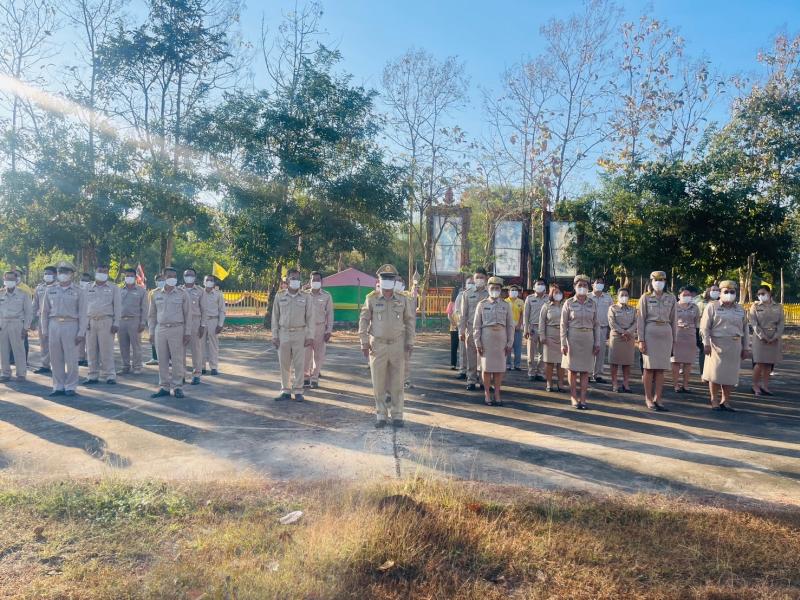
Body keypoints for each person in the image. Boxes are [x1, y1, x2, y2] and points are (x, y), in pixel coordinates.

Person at [358, 264, 415, 428]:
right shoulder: (371, 298)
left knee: (397, 383)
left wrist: (410, 341)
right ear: (379, 280)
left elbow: (409, 321)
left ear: (395, 280)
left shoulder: (402, 299)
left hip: (397, 345)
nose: (387, 281)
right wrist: (363, 341)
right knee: (379, 382)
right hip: (378, 346)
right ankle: (381, 415)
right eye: (384, 278)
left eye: (390, 278)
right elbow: (363, 320)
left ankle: (397, 415)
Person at [700, 280, 749, 411]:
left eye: (732, 292)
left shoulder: (740, 309)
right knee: (715, 374)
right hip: (717, 345)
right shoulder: (712, 306)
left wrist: (746, 347)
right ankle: (714, 400)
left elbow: (746, 329)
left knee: (730, 375)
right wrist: (706, 343)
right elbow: (704, 327)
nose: (729, 294)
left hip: (735, 345)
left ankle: (725, 400)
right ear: (720, 293)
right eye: (726, 291)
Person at [41, 261, 88, 397]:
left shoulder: (79, 291)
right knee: (55, 358)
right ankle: (58, 386)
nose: (63, 274)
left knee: (71, 358)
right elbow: (45, 312)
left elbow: (83, 313)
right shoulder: (50, 289)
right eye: (60, 272)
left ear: (72, 274)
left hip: (71, 324)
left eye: (66, 272)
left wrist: (81, 332)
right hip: (54, 324)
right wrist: (45, 330)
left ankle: (71, 386)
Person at [560, 275, 602, 409]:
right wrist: (563, 343)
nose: (582, 288)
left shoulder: (592, 303)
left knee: (585, 371)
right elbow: (563, 325)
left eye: (585, 285)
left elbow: (596, 325)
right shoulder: (568, 303)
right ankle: (573, 397)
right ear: (574, 287)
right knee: (572, 370)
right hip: (573, 337)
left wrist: (597, 343)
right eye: (580, 285)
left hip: (588, 338)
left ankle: (583, 399)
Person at [271, 268, 313, 402]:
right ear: (287, 280)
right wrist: (274, 335)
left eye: (298, 278)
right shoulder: (279, 296)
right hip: (283, 333)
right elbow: (275, 317)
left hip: (300, 333)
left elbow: (310, 318)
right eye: (293, 278)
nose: (296, 281)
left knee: (299, 364)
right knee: (284, 364)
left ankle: (298, 390)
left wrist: (310, 336)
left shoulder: (306, 297)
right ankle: (286, 391)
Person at [636, 271, 676, 411]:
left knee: (660, 369)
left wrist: (674, 340)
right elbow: (640, 320)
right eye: (656, 280)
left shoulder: (671, 297)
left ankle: (658, 398)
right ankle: (648, 398)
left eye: (661, 280)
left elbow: (674, 319)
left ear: (665, 281)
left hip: (666, 332)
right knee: (648, 368)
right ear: (651, 282)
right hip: (650, 333)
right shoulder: (645, 297)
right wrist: (641, 340)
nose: (659, 282)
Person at [148, 268, 190, 398]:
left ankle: (177, 387)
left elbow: (188, 314)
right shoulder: (155, 294)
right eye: (169, 276)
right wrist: (151, 332)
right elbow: (152, 315)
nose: (172, 278)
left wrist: (187, 332)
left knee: (177, 360)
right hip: (160, 329)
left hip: (177, 329)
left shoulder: (182, 293)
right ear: (163, 277)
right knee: (162, 360)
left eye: (174, 276)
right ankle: (164, 387)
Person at [473, 276, 514, 406]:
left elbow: (510, 326)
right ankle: (486, 393)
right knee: (486, 368)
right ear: (488, 288)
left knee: (499, 369)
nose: (495, 290)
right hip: (486, 339)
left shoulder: (506, 305)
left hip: (501, 339)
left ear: (501, 290)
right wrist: (477, 343)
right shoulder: (482, 304)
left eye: (497, 288)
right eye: (492, 288)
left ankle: (497, 394)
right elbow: (476, 326)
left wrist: (510, 343)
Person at [83, 263, 121, 385]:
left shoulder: (113, 288)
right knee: (91, 350)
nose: (102, 273)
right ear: (95, 272)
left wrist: (116, 323)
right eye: (100, 271)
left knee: (106, 350)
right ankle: (92, 375)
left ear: (108, 273)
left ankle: (109, 375)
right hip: (90, 321)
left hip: (106, 321)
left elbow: (118, 306)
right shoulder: (87, 287)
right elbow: (83, 306)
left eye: (105, 271)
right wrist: (84, 322)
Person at [749, 284, 784, 396]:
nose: (761, 295)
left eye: (763, 293)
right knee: (759, 363)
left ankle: (765, 386)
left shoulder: (778, 306)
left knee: (769, 363)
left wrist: (775, 336)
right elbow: (754, 323)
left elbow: (781, 323)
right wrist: (763, 336)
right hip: (760, 338)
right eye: (759, 294)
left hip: (774, 338)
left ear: (769, 293)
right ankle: (755, 385)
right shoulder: (755, 306)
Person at [458, 267, 489, 391]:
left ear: (486, 279)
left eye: (482, 277)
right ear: (473, 279)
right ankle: (471, 380)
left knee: (485, 355)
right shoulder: (467, 293)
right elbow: (463, 314)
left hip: (485, 329)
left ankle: (484, 381)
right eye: (477, 277)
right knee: (471, 355)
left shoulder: (490, 293)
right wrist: (461, 331)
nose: (479, 279)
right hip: (471, 328)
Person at [0, 271, 33, 382]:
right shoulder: (0, 293)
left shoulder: (23, 294)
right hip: (2, 324)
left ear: (16, 280)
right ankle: (5, 373)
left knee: (19, 350)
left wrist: (26, 327)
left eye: (11, 279)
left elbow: (28, 312)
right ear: (4, 280)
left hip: (17, 323)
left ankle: (21, 374)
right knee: (3, 350)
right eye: (7, 279)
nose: (9, 281)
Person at [303, 271, 332, 389]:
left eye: (318, 279)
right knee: (306, 355)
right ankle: (305, 378)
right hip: (306, 328)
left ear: (322, 281)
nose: (315, 281)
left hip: (320, 328)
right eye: (313, 279)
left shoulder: (327, 296)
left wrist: (328, 330)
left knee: (319, 356)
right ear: (310, 281)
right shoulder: (304, 295)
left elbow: (330, 314)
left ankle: (314, 379)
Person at [118, 267, 148, 375]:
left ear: (135, 277)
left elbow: (144, 308)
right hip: (121, 321)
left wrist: (143, 322)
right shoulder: (119, 290)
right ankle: (125, 366)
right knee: (123, 346)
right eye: (127, 276)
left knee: (136, 346)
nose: (129, 277)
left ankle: (137, 366)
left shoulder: (141, 291)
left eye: (131, 276)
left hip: (135, 321)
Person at [671, 286, 700, 394]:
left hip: (690, 335)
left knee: (688, 362)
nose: (687, 297)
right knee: (676, 361)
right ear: (679, 296)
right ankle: (676, 385)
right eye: (684, 295)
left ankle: (686, 385)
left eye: (688, 295)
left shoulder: (695, 307)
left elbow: (697, 322)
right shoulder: (674, 306)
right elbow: (670, 320)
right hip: (677, 334)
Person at [607, 288, 636, 393]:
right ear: (617, 297)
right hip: (616, 337)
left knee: (627, 362)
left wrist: (628, 332)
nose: (624, 297)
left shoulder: (633, 309)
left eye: (626, 295)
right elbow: (612, 322)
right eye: (622, 295)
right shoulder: (612, 308)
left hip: (629, 337)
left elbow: (636, 322)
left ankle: (626, 383)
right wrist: (622, 332)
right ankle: (614, 383)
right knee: (614, 361)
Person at [539, 283, 566, 393]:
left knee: (561, 362)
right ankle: (549, 383)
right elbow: (541, 322)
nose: (558, 294)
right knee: (549, 362)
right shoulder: (546, 306)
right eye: (555, 292)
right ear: (551, 294)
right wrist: (542, 335)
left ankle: (560, 383)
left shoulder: (565, 305)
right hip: (549, 334)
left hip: (562, 335)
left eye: (559, 292)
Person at [180, 268, 205, 385]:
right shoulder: (178, 290)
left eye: (191, 275)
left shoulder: (200, 291)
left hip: (195, 322)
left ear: (195, 277)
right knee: (180, 350)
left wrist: (202, 325)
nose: (189, 277)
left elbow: (204, 309)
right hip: (181, 322)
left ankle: (196, 375)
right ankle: (182, 374)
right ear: (183, 276)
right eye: (187, 275)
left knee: (196, 350)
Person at [200, 274, 226, 377]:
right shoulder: (199, 293)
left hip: (213, 321)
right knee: (200, 345)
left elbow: (222, 310)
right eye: (207, 280)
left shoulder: (218, 294)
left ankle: (214, 367)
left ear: (214, 283)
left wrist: (220, 324)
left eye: (211, 280)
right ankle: (201, 367)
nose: (209, 282)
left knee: (213, 345)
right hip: (201, 322)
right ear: (203, 282)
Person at [32, 266, 56, 374]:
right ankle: (45, 365)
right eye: (45, 273)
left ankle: (57, 366)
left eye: (49, 273)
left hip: (54, 319)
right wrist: (32, 320)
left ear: (55, 274)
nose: (47, 275)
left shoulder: (59, 287)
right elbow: (34, 305)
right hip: (42, 319)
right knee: (43, 344)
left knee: (55, 344)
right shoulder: (39, 288)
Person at [524, 278, 549, 382]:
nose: (540, 286)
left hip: (545, 328)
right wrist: (525, 329)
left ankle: (540, 372)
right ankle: (531, 372)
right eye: (538, 284)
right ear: (534, 287)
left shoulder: (549, 298)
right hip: (532, 328)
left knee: (543, 352)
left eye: (542, 284)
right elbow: (526, 315)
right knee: (531, 352)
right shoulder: (529, 298)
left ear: (545, 287)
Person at [590, 276, 613, 383]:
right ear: (592, 285)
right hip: (590, 328)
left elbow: (612, 314)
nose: (599, 284)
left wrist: (610, 329)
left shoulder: (608, 298)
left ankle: (598, 374)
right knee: (589, 352)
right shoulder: (587, 297)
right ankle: (588, 373)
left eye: (601, 283)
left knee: (601, 352)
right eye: (597, 282)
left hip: (603, 328)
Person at [145, 275, 165, 366]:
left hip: (164, 319)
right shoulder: (152, 292)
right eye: (158, 280)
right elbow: (150, 306)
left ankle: (168, 358)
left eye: (162, 280)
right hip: (155, 318)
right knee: (153, 339)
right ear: (155, 282)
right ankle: (154, 357)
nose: (160, 281)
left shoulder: (169, 291)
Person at [454, 279, 472, 379]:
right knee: (463, 350)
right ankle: (463, 370)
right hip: (464, 326)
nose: (471, 284)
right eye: (469, 283)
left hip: (476, 327)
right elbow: (456, 311)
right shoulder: (461, 295)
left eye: (473, 283)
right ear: (465, 284)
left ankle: (475, 372)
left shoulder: (482, 295)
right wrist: (460, 325)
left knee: (476, 351)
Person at [505, 284, 524, 371]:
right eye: (512, 290)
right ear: (508, 292)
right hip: (507, 328)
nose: (514, 292)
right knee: (508, 346)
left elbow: (522, 314)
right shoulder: (505, 301)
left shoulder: (521, 302)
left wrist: (519, 325)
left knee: (517, 347)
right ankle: (507, 364)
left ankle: (517, 364)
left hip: (517, 327)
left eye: (515, 290)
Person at [77, 272, 93, 366]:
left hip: (89, 318)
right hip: (79, 318)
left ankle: (88, 359)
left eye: (86, 280)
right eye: (82, 280)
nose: (84, 282)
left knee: (89, 341)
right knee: (80, 340)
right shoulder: (76, 290)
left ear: (90, 281)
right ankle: (80, 358)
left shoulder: (92, 290)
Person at [446, 287, 460, 370]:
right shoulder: (451, 303)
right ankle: (453, 364)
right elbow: (449, 316)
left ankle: (464, 365)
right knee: (454, 346)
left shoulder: (463, 302)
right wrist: (455, 324)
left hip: (463, 328)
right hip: (454, 328)